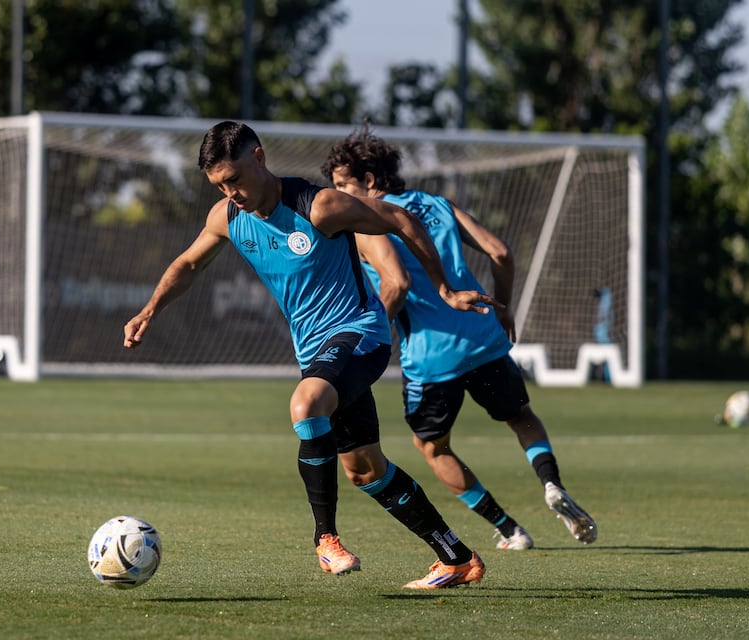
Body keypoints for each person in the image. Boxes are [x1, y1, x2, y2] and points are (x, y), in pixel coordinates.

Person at [124, 120, 498, 589]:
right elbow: (189, 263)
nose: (230, 192)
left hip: (361, 334)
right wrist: (149, 311)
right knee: (364, 470)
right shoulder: (228, 218)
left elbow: (401, 220)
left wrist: (444, 287)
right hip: (315, 351)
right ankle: (456, 559)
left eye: (234, 179)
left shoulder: (320, 206)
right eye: (219, 185)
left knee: (305, 405)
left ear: (258, 158)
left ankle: (325, 538)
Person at [320, 124, 597, 550]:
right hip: (484, 335)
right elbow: (500, 252)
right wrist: (502, 307)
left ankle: (508, 529)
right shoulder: (436, 203)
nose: (337, 195)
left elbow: (395, 284)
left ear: (370, 182)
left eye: (342, 185)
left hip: (432, 358)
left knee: (432, 448)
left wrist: (367, 334)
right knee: (521, 417)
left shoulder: (368, 222)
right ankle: (551, 484)